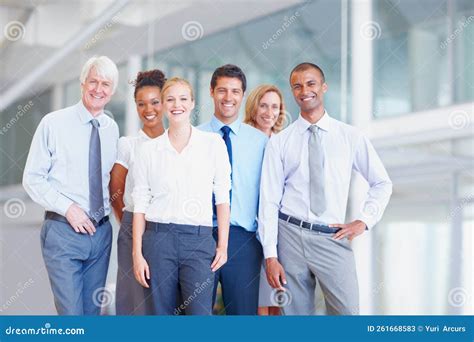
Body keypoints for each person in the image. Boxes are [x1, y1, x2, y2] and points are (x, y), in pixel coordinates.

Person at [259, 62, 393, 315]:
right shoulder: (280, 142)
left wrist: (364, 221)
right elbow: (268, 201)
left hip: (331, 237)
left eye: (311, 84)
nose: (304, 91)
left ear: (324, 87)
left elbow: (382, 183)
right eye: (297, 86)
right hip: (289, 235)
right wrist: (270, 255)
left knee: (347, 314)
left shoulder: (350, 136)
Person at [22, 56, 120, 315]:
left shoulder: (111, 129)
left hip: (101, 234)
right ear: (82, 83)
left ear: (112, 91)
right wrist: (69, 208)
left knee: (91, 317)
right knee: (71, 316)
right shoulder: (53, 123)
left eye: (105, 84)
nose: (98, 89)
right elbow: (32, 178)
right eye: (93, 81)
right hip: (64, 231)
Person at [132, 77, 231, 315]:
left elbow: (222, 198)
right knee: (160, 317)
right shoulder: (147, 151)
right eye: (170, 99)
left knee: (199, 317)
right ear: (163, 105)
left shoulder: (213, 144)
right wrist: (137, 253)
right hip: (158, 240)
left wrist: (223, 246)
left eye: (183, 98)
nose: (177, 105)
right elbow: (140, 204)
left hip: (198, 241)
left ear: (193, 103)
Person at [199, 64, 268, 315]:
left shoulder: (260, 142)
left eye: (235, 91)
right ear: (211, 91)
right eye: (222, 90)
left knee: (243, 317)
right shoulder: (194, 137)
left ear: (243, 95)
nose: (228, 98)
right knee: (194, 314)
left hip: (243, 240)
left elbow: (269, 196)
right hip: (199, 235)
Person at [110, 70, 166, 315]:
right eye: (141, 104)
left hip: (168, 227)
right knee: (132, 300)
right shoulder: (128, 144)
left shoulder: (178, 142)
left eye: (155, 102)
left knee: (164, 298)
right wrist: (130, 226)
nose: (148, 109)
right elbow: (116, 190)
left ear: (165, 103)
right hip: (134, 225)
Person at [244, 84, 286, 316]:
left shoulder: (282, 141)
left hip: (278, 229)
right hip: (249, 232)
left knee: (279, 297)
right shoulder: (243, 139)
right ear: (254, 107)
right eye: (263, 105)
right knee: (258, 301)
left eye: (275, 107)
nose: (269, 112)